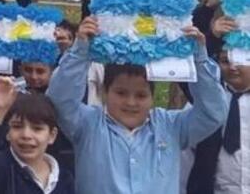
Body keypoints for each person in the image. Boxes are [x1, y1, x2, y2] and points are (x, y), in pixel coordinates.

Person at [46, 16, 228, 194]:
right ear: (104, 92)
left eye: (141, 95)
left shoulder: (171, 127)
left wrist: (199, 59)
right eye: (121, 93)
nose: (131, 102)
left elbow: (213, 112)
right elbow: (60, 101)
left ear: (153, 96)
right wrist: (80, 51)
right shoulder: (86, 124)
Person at [0, 76, 75, 194]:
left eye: (37, 129)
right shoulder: (0, 168)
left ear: (52, 135)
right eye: (17, 127)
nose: (26, 135)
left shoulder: (64, 177)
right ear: (7, 132)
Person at [185, 45, 250, 194]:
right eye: (225, 61)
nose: (232, 67)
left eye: (239, 61)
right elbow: (186, 156)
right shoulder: (205, 102)